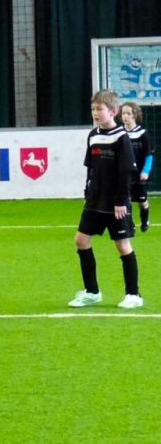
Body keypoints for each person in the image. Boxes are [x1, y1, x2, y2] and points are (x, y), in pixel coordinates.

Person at [68, 89, 142, 309]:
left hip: (115, 203)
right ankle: (92, 292)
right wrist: (87, 193)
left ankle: (133, 294)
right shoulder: (93, 135)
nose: (95, 113)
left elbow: (126, 172)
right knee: (81, 241)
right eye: (93, 109)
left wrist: (121, 201)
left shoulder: (121, 137)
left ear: (113, 111)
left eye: (99, 109)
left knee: (122, 245)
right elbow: (91, 168)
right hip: (95, 201)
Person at [121, 100, 152, 232]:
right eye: (123, 113)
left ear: (135, 115)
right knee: (125, 200)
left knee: (142, 201)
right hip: (124, 173)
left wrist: (146, 170)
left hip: (139, 173)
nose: (125, 116)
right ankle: (130, 225)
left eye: (128, 113)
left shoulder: (142, 133)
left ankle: (145, 220)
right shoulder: (119, 133)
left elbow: (149, 154)